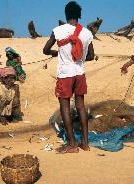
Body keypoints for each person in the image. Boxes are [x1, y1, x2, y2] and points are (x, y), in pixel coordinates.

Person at [43, 1, 96, 153]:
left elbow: (45, 50)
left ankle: (72, 144)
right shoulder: (87, 33)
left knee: (65, 107)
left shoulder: (57, 30)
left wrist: (57, 53)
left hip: (65, 74)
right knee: (80, 106)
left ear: (66, 15)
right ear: (79, 15)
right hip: (80, 72)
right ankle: (85, 144)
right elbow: (91, 56)